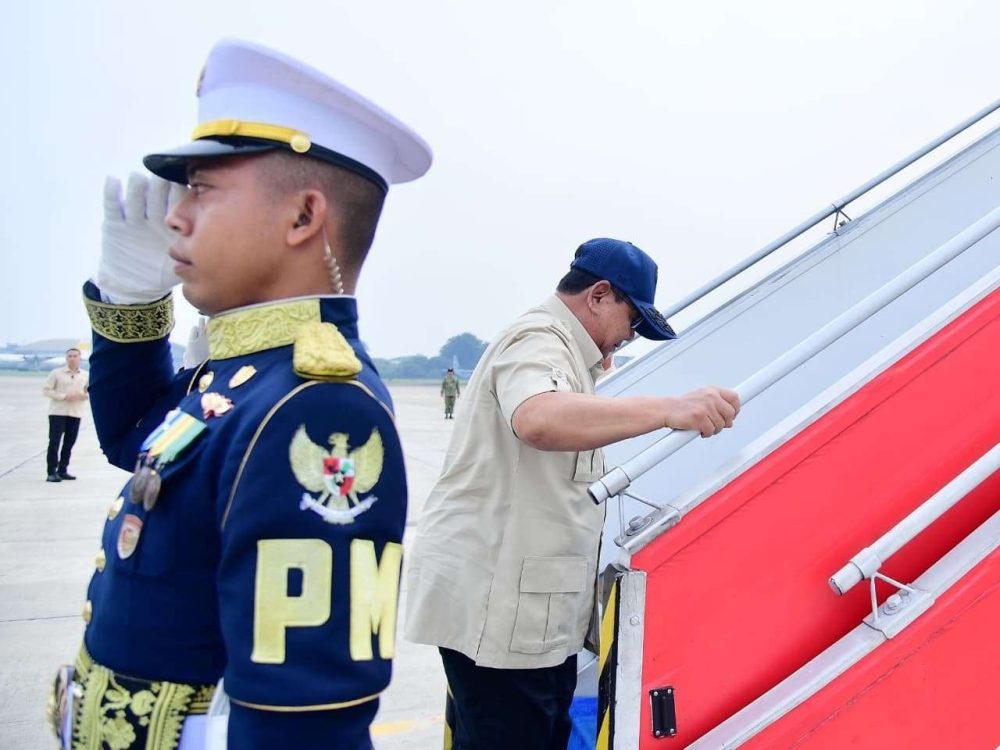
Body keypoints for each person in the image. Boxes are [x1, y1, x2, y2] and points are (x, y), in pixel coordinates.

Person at [49, 39, 431, 750]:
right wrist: (130, 305)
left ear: (302, 218)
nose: (175, 217)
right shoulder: (247, 374)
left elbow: (304, 722)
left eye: (202, 190)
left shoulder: (317, 406)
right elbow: (136, 437)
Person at [404, 238, 741, 749]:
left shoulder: (568, 358)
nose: (628, 338)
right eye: (632, 322)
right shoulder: (539, 339)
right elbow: (538, 418)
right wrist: (669, 409)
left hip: (524, 617)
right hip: (502, 618)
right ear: (599, 295)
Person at [42, 348, 89, 482]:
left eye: (75, 356)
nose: (72, 358)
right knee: (54, 442)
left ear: (80, 358)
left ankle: (63, 470)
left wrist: (82, 395)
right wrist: (63, 396)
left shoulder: (85, 375)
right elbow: (46, 390)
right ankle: (51, 472)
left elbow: (89, 391)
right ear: (66, 358)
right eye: (70, 356)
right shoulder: (56, 373)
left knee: (69, 443)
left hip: (75, 413)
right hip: (58, 412)